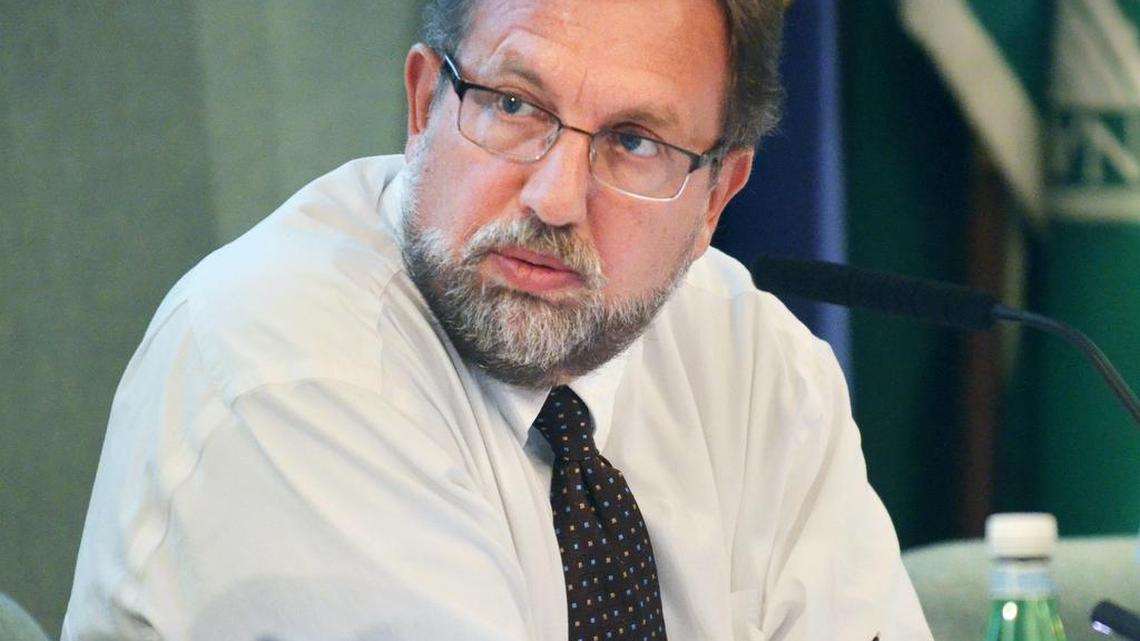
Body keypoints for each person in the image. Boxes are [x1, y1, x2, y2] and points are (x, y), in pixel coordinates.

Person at [64, 0, 933, 639]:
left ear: (717, 199)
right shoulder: (285, 366)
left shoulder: (758, 368)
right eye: (514, 106)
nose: (555, 198)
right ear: (421, 106)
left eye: (634, 141)